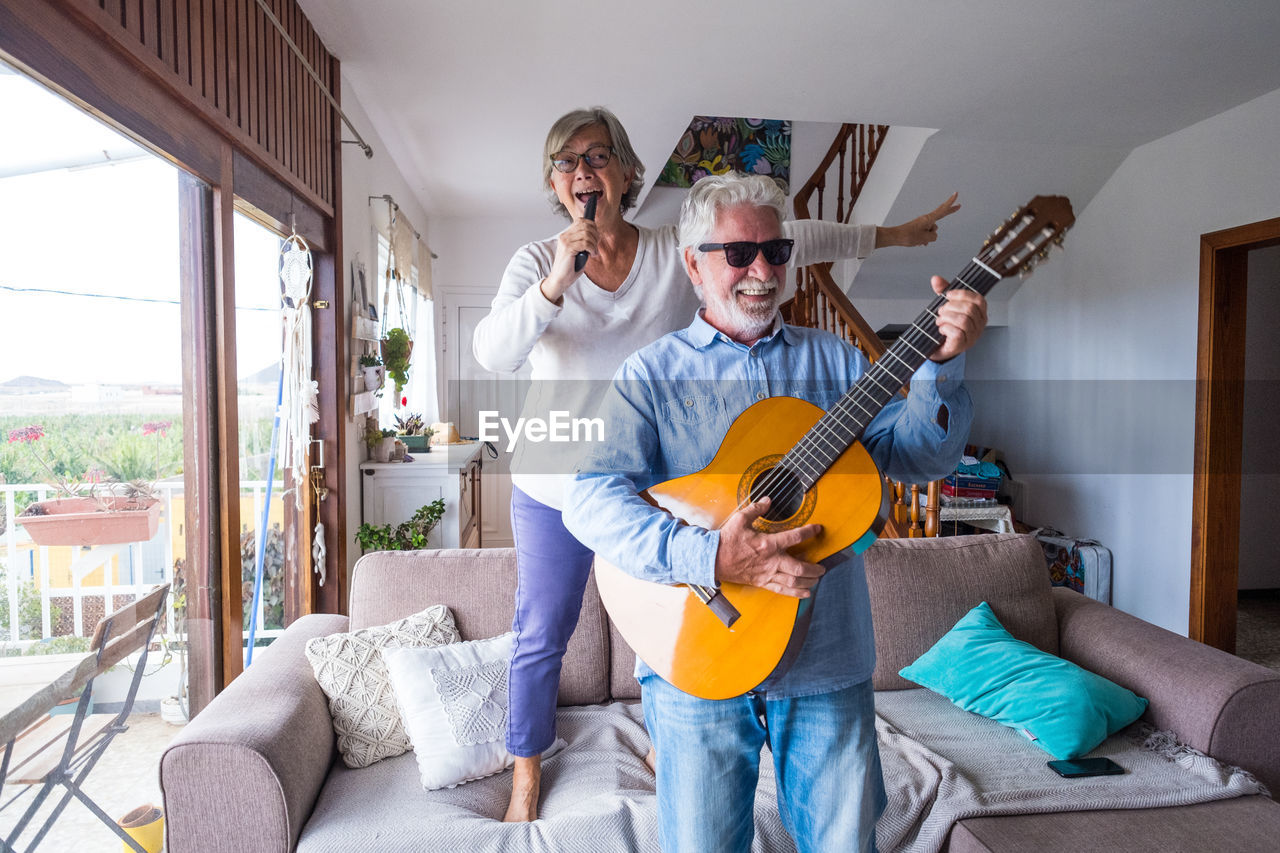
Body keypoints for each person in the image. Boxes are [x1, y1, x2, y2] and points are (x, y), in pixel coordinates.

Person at [471, 106, 962, 823]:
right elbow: (494, 355)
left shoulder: (817, 350)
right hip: (567, 473)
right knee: (544, 628)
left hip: (787, 616)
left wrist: (898, 249)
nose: (759, 269)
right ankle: (525, 775)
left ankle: (666, 734)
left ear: (628, 170)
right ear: (695, 266)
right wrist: (556, 278)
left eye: (600, 154)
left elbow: (784, 233)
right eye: (568, 160)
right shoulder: (546, 266)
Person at [561, 171, 987, 851]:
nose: (762, 270)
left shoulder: (839, 362)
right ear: (692, 263)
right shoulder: (650, 375)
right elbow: (587, 499)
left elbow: (917, 459)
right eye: (738, 254)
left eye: (777, 251)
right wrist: (709, 555)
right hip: (695, 658)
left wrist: (944, 368)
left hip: (826, 662)